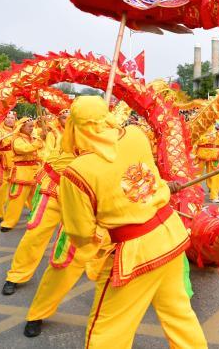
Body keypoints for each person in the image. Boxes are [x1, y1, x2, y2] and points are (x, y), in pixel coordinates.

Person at [58, 96, 206, 348]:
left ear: (74, 126)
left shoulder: (76, 172)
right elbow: (149, 177)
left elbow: (81, 232)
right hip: (170, 235)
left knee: (107, 332)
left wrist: (100, 245)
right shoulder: (136, 135)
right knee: (180, 315)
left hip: (135, 253)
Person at [1, 110, 69, 295]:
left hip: (80, 195)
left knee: (83, 241)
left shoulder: (99, 140)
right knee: (34, 235)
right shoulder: (52, 134)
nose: (69, 121)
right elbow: (47, 155)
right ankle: (16, 275)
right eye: (65, 117)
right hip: (53, 189)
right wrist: (43, 139)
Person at [0, 118, 45, 232]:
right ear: (22, 127)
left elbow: (37, 152)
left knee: (36, 198)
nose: (32, 128)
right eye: (29, 126)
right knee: (17, 199)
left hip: (34, 172)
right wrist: (38, 142)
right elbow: (24, 150)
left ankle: (37, 219)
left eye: (32, 126)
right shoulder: (17, 139)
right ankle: (8, 222)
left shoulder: (32, 138)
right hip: (21, 173)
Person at [0, 111, 17, 223]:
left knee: (13, 188)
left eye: (12, 118)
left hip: (15, 162)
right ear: (4, 119)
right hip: (2, 162)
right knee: (1, 187)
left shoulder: (18, 131)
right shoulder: (0, 131)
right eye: (8, 117)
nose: (10, 119)